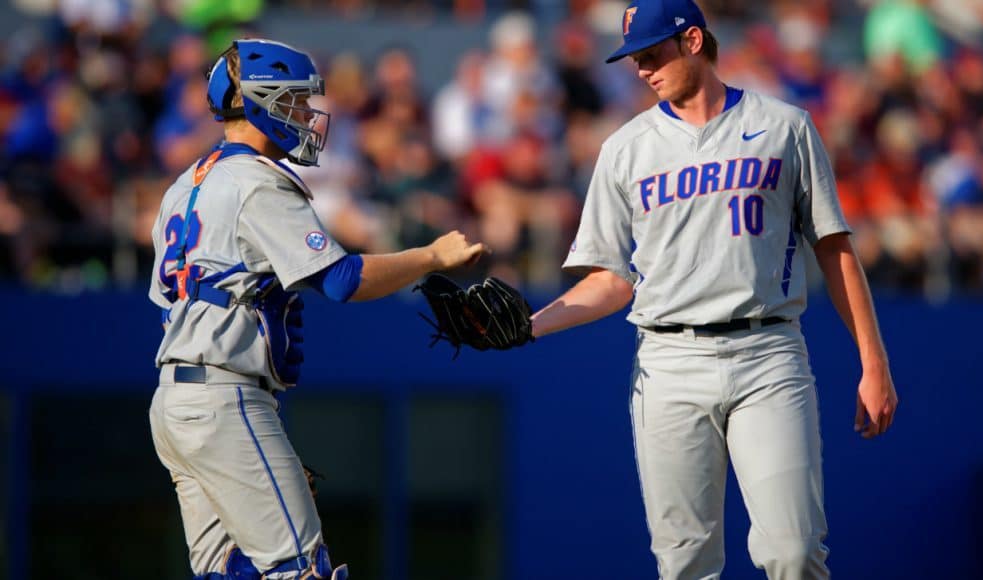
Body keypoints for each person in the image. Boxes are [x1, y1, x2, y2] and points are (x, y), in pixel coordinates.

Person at [527, 1, 899, 578]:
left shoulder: (785, 126)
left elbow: (834, 246)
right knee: (685, 566)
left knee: (794, 553)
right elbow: (610, 279)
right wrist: (529, 326)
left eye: (653, 54)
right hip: (669, 362)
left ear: (693, 41)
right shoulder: (625, 149)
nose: (643, 69)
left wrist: (873, 363)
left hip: (768, 354)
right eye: (634, 60)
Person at [147, 39, 485, 579]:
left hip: (175, 401)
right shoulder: (258, 181)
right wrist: (431, 255)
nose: (305, 115)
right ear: (261, 101)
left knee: (231, 571)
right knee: (300, 570)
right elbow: (342, 280)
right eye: (294, 101)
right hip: (227, 397)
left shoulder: (182, 186)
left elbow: (168, 303)